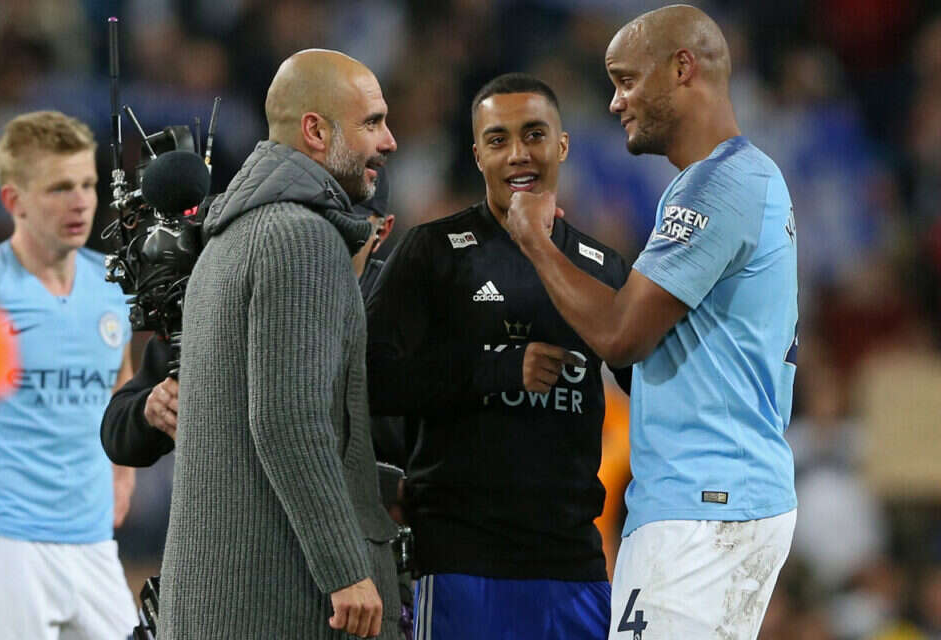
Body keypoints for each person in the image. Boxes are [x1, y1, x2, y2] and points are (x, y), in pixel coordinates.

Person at [505, 6, 798, 638]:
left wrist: (534, 241)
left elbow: (622, 335)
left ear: (682, 68)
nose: (615, 102)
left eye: (626, 80)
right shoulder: (731, 180)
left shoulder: (719, 186)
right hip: (711, 495)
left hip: (706, 499)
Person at [365, 73, 629, 640]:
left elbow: (650, 385)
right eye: (498, 139)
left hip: (574, 564)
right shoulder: (432, 252)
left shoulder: (603, 266)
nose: (518, 154)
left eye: (534, 134)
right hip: (462, 561)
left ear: (562, 145)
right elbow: (371, 381)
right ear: (477, 155)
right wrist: (499, 368)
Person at [158, 50, 401, 639]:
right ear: (316, 131)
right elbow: (289, 418)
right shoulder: (302, 238)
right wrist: (346, 569)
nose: (389, 141)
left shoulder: (229, 235)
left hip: (214, 603)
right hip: (281, 604)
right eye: (371, 123)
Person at [100, 168, 399, 467]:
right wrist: (150, 410)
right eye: (317, 216)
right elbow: (116, 432)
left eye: (347, 220)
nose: (327, 233)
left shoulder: (394, 304)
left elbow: (408, 437)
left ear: (381, 231)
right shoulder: (233, 293)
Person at [0, 110, 137, 639]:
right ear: (14, 201)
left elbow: (120, 384)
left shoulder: (111, 287)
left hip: (93, 541)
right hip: (7, 543)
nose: (81, 202)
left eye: (88, 184)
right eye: (59, 188)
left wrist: (123, 473)